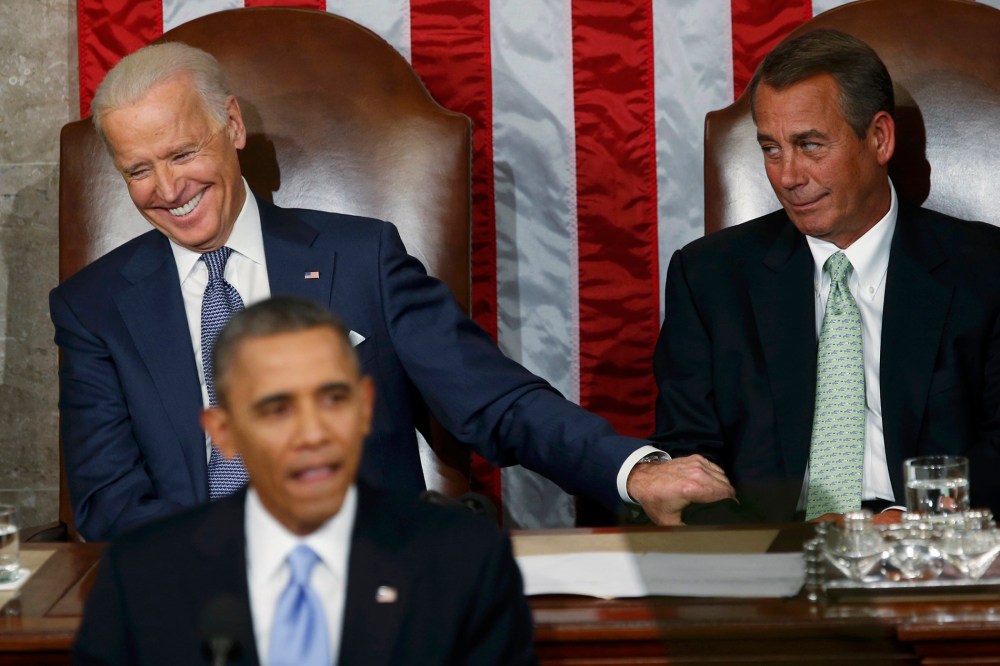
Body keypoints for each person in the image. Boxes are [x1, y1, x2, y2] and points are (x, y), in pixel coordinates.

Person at [49, 42, 733, 540]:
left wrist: (633, 470)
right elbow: (109, 502)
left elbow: (493, 401)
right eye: (138, 170)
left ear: (230, 126)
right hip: (195, 598)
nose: (167, 191)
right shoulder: (95, 306)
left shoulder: (360, 258)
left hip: (376, 588)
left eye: (181, 154)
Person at [652, 29, 1000, 523]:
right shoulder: (708, 277)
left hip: (930, 548)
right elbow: (689, 459)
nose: (788, 176)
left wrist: (913, 523)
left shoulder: (985, 271)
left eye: (810, 145)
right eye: (771, 149)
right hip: (770, 554)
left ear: (879, 138)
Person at [72, 296, 537, 665]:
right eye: (277, 409)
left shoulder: (464, 562)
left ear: (365, 406)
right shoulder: (143, 576)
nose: (313, 434)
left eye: (333, 399)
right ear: (224, 433)